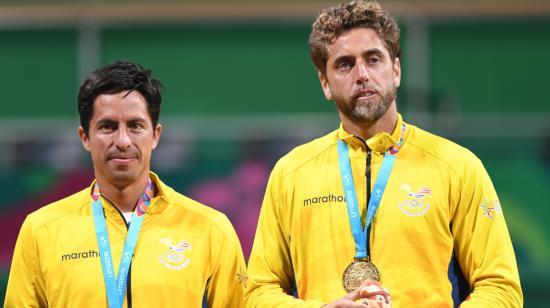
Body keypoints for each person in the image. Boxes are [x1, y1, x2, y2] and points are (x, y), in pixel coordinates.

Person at [245, 1, 522, 307]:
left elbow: (501, 289)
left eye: (373, 59)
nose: (362, 74)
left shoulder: (457, 167)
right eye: (345, 64)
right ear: (325, 83)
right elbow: (258, 291)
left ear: (396, 70)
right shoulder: (292, 173)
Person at [4, 61, 246, 308]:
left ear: (155, 135)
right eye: (107, 127)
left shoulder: (210, 228)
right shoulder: (42, 230)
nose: (122, 140)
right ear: (85, 137)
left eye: (135, 126)